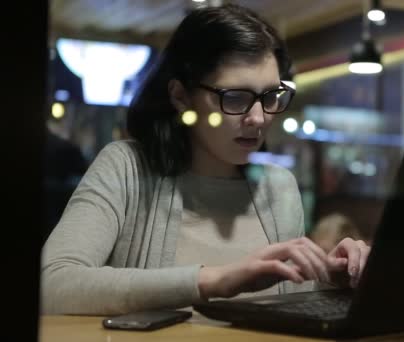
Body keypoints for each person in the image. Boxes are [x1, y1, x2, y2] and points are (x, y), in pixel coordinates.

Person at [41, 4, 370, 315]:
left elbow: (284, 311)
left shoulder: (278, 186)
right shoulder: (126, 168)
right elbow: (52, 285)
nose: (258, 117)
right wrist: (213, 280)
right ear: (181, 96)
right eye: (236, 97)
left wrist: (332, 278)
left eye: (270, 96)